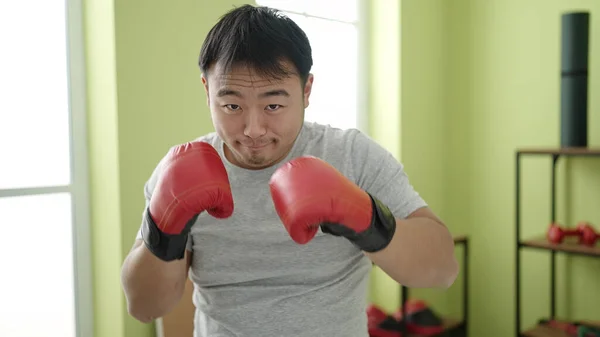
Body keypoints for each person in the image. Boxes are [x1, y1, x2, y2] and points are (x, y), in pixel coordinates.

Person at [120, 4, 458, 337]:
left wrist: (366, 218)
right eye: (232, 105)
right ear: (207, 91)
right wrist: (163, 228)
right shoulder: (181, 169)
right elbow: (144, 306)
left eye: (273, 105)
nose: (253, 128)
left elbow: (442, 270)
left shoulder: (351, 156)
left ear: (306, 90)